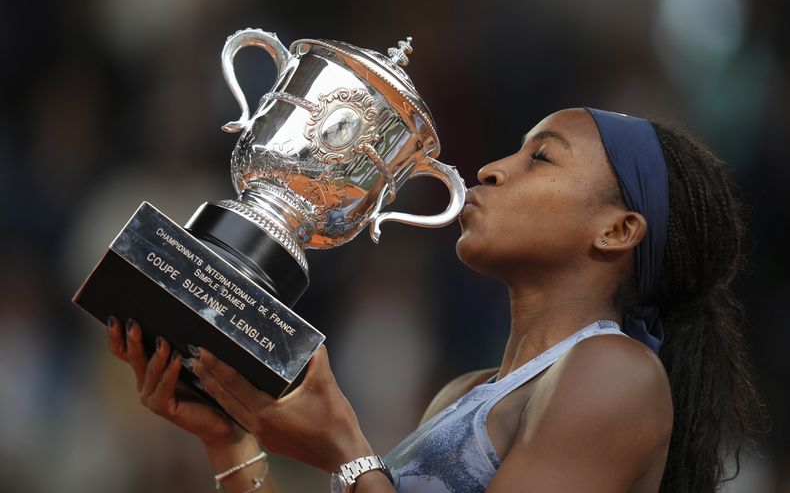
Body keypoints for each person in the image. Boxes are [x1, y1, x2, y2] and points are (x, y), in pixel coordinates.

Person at [107, 108, 765, 493]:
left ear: (617, 229)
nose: (491, 169)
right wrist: (233, 444)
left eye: (542, 158)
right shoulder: (462, 395)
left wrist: (345, 448)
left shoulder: (617, 374)